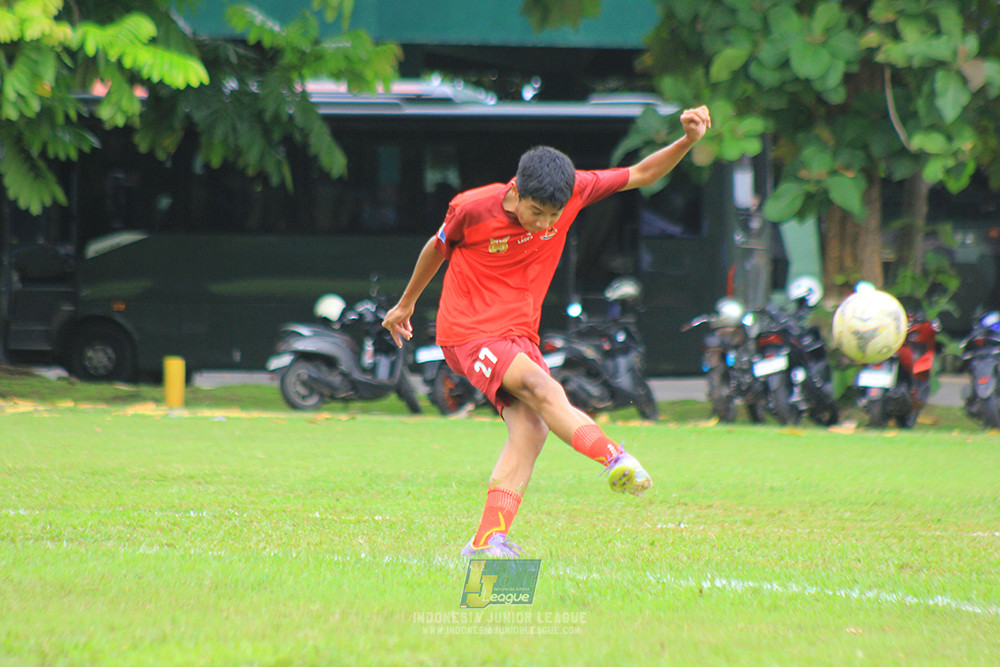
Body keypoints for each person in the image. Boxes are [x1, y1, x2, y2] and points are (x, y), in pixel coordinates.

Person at [382, 105, 712, 557]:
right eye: (535, 212)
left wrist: (688, 142)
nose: (543, 224)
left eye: (552, 216)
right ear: (514, 192)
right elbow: (436, 248)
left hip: (520, 336)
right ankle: (614, 458)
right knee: (541, 385)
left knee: (531, 430)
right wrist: (406, 303)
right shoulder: (472, 207)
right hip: (468, 333)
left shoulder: (574, 190)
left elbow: (641, 173)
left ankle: (486, 542)